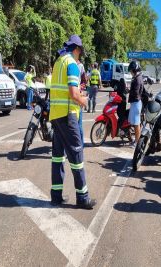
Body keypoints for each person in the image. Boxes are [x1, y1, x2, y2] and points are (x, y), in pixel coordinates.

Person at [49, 35, 96, 209]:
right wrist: (84, 100)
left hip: (55, 115)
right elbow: (74, 94)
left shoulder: (58, 63)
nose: (80, 55)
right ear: (77, 49)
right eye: (80, 51)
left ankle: (56, 195)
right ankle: (83, 198)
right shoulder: (72, 65)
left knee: (57, 157)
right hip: (68, 116)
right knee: (77, 156)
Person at [128, 60, 144, 147]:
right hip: (135, 102)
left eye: (131, 71)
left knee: (136, 123)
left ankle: (137, 142)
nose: (130, 73)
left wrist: (129, 91)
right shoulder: (137, 77)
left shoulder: (137, 79)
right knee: (135, 123)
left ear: (135, 70)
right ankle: (136, 140)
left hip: (136, 102)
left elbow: (136, 92)